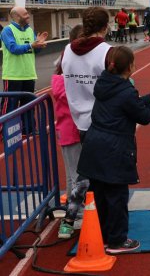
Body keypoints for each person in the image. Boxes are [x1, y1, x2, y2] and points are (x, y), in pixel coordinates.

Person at [75, 46, 150, 253]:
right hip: (114, 149)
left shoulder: (105, 83)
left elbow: (130, 105)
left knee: (100, 194)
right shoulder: (125, 90)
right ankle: (117, 241)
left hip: (94, 145)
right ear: (130, 67)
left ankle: (103, 235)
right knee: (117, 196)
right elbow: (143, 116)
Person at [59, 6, 113, 239]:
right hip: (103, 121)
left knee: (85, 175)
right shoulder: (106, 52)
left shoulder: (66, 51)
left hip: (80, 120)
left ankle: (71, 217)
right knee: (106, 176)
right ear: (105, 27)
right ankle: (107, 226)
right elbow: (116, 87)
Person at [51, 24, 83, 210]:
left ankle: (75, 210)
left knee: (77, 175)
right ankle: (74, 213)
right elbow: (69, 96)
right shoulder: (62, 80)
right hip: (70, 132)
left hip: (75, 130)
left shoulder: (65, 79)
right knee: (75, 175)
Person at [1, 7, 48, 120]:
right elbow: (13, 48)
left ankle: (28, 131)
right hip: (13, 76)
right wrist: (31, 45)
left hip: (29, 75)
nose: (28, 16)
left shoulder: (30, 30)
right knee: (10, 107)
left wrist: (39, 46)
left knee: (28, 106)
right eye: (25, 14)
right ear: (17, 16)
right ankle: (4, 133)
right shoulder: (7, 30)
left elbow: (33, 51)